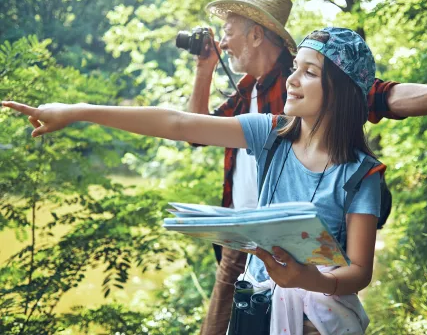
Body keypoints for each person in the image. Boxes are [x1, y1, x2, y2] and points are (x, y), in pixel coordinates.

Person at [4, 25, 386, 334]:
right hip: (254, 308)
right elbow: (177, 123)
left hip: (319, 323)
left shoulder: (360, 174)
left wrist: (307, 279)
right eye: (294, 68)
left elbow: (359, 272)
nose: (292, 79)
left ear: (340, 91)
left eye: (310, 72)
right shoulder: (271, 133)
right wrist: (77, 111)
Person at [190, 0, 427, 335]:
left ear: (255, 35)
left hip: (297, 246)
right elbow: (195, 131)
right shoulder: (246, 90)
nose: (221, 42)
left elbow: (383, 96)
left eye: (228, 31)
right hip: (243, 241)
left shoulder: (307, 76)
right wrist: (204, 70)